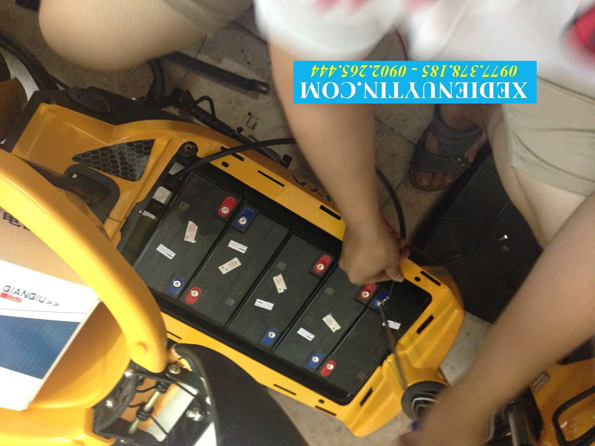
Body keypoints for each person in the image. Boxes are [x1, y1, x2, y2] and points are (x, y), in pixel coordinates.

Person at [38, 1, 595, 445]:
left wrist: (475, 400)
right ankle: (480, 84)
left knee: (556, 220)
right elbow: (318, 79)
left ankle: (481, 100)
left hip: (555, 59)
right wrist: (362, 223)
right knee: (78, 33)